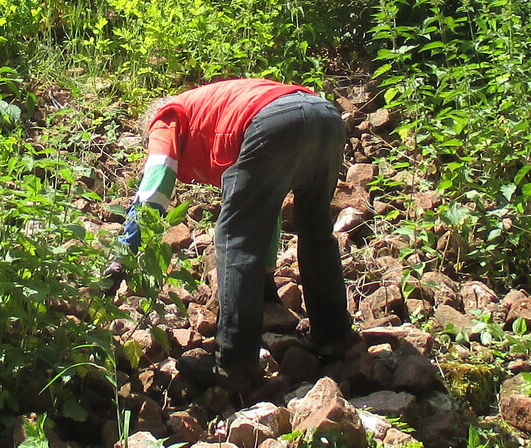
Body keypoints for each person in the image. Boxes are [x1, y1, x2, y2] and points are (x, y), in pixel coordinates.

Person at [111, 77, 357, 392]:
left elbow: (155, 188)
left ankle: (233, 362)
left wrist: (121, 257)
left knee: (233, 238)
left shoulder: (166, 116)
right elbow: (265, 208)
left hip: (273, 120)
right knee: (316, 231)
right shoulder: (212, 110)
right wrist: (265, 279)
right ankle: (334, 339)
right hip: (325, 116)